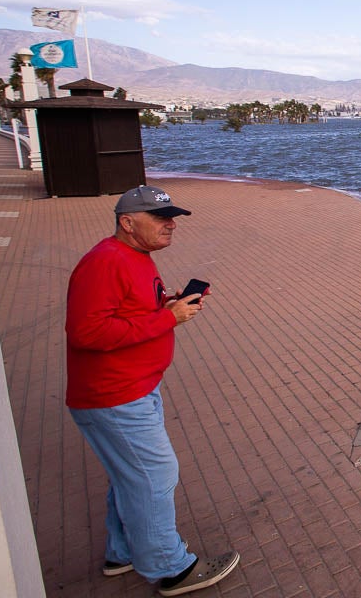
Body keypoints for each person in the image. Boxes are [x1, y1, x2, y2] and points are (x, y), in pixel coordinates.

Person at [65, 185, 240, 596]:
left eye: (171, 217)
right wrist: (168, 320)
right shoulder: (105, 262)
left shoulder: (136, 258)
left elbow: (126, 313)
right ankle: (170, 568)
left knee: (131, 478)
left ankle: (122, 551)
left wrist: (168, 306)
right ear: (127, 223)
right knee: (154, 476)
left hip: (135, 389)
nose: (171, 225)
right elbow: (86, 332)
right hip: (116, 396)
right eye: (160, 218)